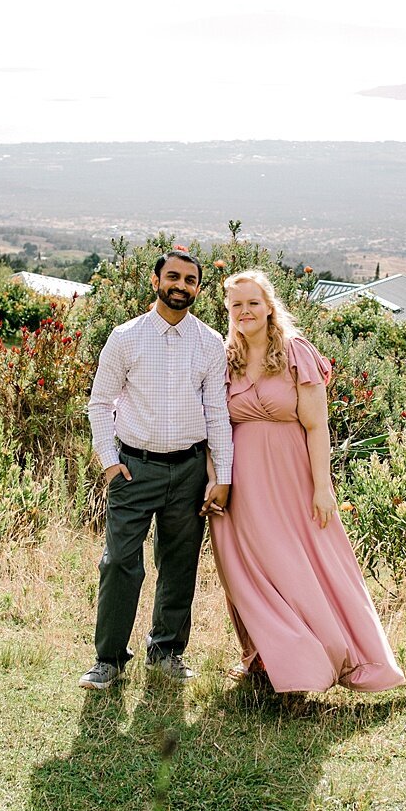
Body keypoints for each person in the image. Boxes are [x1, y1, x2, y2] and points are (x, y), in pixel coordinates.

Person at [210, 269, 405, 694]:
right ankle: (264, 660)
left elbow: (317, 426)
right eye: (236, 304)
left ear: (269, 306)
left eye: (252, 303)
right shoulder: (225, 357)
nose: (244, 311)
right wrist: (215, 480)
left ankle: (328, 656)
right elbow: (214, 427)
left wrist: (323, 487)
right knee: (248, 572)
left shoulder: (296, 352)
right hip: (241, 485)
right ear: (228, 309)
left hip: (293, 480)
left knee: (303, 567)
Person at [81, 250, 233, 690]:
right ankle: (108, 659)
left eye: (190, 280)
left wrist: (221, 477)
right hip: (133, 469)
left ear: (198, 289)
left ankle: (166, 651)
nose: (180, 285)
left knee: (180, 564)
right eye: (173, 277)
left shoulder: (209, 344)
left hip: (188, 472)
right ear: (155, 280)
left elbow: (218, 415)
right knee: (120, 564)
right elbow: (99, 403)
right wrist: (110, 463)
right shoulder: (125, 337)